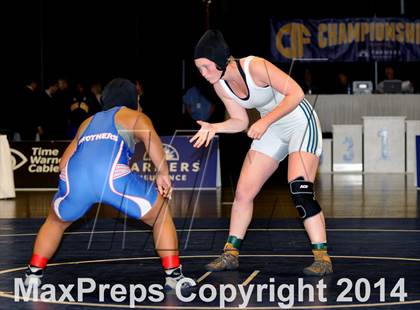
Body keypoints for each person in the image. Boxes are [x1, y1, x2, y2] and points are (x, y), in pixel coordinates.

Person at [24, 78, 197, 292]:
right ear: (133, 99)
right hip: (112, 176)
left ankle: (33, 274)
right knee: (161, 214)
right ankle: (174, 276)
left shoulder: (88, 122)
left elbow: (62, 164)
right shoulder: (134, 116)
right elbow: (151, 138)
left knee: (55, 222)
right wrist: (163, 172)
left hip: (75, 178)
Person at [191, 29, 332, 276]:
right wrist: (215, 127)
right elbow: (239, 121)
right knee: (244, 192)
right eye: (199, 69)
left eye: (205, 67)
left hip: (300, 121)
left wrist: (265, 122)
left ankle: (322, 257)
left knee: (299, 188)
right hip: (272, 126)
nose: (202, 74)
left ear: (219, 59)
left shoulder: (255, 66)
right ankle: (230, 253)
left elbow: (296, 93)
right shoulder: (221, 84)